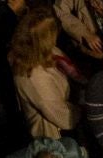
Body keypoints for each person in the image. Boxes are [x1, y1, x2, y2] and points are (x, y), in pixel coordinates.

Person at [8, 8, 77, 141]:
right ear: (44, 40)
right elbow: (62, 117)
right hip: (56, 138)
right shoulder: (33, 77)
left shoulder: (50, 52)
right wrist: (83, 109)